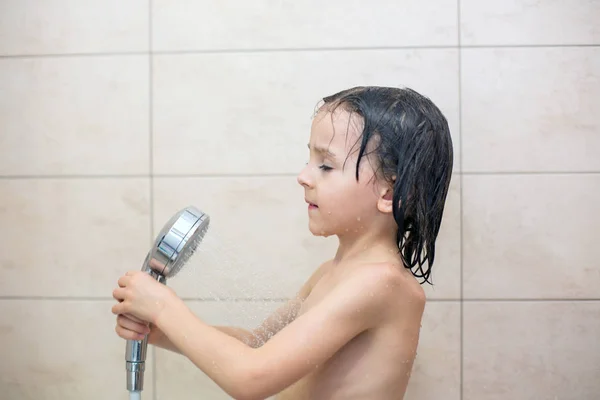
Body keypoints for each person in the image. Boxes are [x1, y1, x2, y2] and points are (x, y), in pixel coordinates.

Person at [112, 86, 454, 400]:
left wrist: (163, 307)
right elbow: (257, 346)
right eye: (309, 161)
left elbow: (252, 378)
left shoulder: (382, 284)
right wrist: (161, 331)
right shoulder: (331, 273)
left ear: (389, 192)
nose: (304, 176)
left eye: (325, 165)